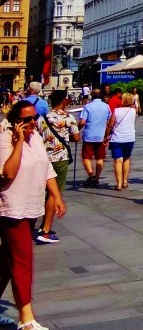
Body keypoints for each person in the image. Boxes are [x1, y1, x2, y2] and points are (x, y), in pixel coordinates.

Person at [0, 100, 65, 330]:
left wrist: (57, 196)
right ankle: (26, 320)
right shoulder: (4, 138)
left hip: (31, 207)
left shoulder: (36, 137)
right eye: (26, 119)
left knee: (7, 262)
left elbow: (46, 168)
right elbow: (8, 173)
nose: (31, 123)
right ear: (15, 120)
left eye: (34, 118)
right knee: (22, 262)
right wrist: (18, 142)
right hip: (12, 209)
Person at [36, 89, 79, 243]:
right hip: (60, 159)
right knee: (54, 193)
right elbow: (76, 137)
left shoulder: (42, 118)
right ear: (64, 101)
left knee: (44, 192)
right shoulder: (68, 117)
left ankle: (41, 225)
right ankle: (46, 230)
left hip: (43, 158)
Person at [77, 88, 111, 187]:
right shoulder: (106, 106)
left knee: (86, 157)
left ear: (92, 95)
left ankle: (91, 175)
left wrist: (77, 129)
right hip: (101, 135)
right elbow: (109, 121)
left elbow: (82, 122)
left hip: (89, 135)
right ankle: (96, 178)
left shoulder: (88, 106)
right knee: (100, 157)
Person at [106, 92, 137, 190]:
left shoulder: (116, 111)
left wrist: (106, 134)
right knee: (126, 158)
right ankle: (125, 181)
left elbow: (110, 125)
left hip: (117, 138)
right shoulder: (133, 111)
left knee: (118, 161)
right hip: (129, 138)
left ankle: (119, 184)